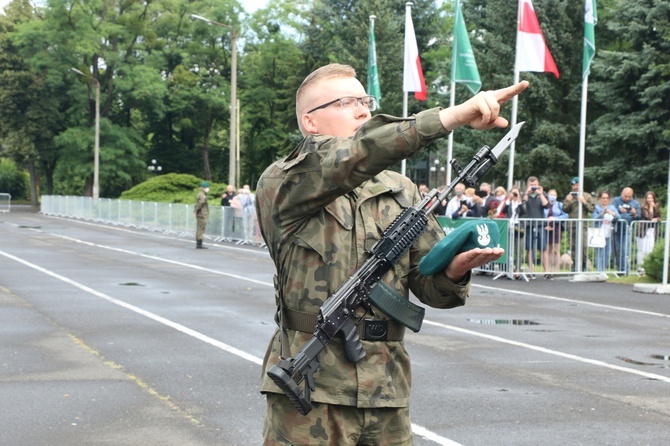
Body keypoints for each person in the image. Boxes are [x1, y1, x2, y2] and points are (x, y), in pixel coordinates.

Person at [255, 63, 528, 445]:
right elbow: (361, 152)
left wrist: (453, 273)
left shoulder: (401, 191)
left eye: (365, 100)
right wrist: (450, 117)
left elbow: (428, 286)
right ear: (310, 122)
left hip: (386, 389)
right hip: (312, 391)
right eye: (346, 102)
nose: (363, 110)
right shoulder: (283, 182)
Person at [562, 177, 596, 271]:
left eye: (577, 185)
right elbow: (564, 209)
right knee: (573, 246)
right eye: (573, 185)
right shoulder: (570, 196)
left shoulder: (587, 196)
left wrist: (584, 202)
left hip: (582, 225)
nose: (575, 187)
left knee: (583, 246)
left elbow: (592, 209)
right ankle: (575, 265)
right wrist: (568, 200)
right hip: (572, 224)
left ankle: (584, 265)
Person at [521, 176, 549, 278]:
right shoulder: (525, 195)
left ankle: (547, 271)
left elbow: (546, 205)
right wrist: (527, 193)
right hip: (529, 224)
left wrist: (540, 193)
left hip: (540, 224)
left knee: (543, 248)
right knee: (530, 248)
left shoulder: (542, 194)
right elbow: (522, 204)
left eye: (535, 185)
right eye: (531, 185)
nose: (533, 187)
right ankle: (531, 270)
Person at [611, 187, 641, 274]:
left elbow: (639, 217)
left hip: (627, 229)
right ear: (621, 194)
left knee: (625, 250)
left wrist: (635, 214)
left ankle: (625, 270)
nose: (627, 198)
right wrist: (619, 211)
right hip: (617, 228)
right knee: (617, 250)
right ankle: (619, 269)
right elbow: (612, 211)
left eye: (629, 196)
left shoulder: (635, 203)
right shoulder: (616, 200)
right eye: (625, 196)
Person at [542, 189, 568, 279]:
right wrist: (545, 222)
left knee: (556, 250)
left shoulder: (559, 205)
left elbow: (566, 215)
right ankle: (548, 270)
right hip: (546, 227)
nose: (552, 196)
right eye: (551, 194)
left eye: (554, 194)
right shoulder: (545, 204)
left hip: (556, 227)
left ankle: (556, 270)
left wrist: (556, 218)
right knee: (548, 249)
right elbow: (541, 215)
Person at [592, 191, 620, 272]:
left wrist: (613, 213)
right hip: (599, 233)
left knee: (607, 254)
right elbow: (594, 218)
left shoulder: (612, 208)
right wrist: (602, 214)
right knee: (600, 253)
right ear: (600, 199)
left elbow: (619, 217)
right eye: (603, 198)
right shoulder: (596, 208)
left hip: (609, 233)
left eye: (606, 198)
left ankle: (603, 269)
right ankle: (600, 271)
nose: (605, 200)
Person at [635, 190, 661, 271]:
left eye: (651, 198)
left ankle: (647, 268)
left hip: (651, 230)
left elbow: (660, 216)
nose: (650, 200)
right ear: (646, 199)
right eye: (648, 198)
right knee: (642, 250)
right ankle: (640, 268)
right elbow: (648, 217)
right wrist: (650, 208)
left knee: (649, 250)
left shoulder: (656, 207)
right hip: (643, 231)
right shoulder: (643, 207)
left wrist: (657, 218)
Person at [194, 181, 209, 249]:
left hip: (201, 213)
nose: (207, 188)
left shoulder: (202, 194)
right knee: (201, 228)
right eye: (206, 187)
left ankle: (199, 243)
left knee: (200, 228)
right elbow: (200, 204)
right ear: (202, 188)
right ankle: (199, 243)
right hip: (202, 214)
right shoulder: (202, 195)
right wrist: (196, 211)